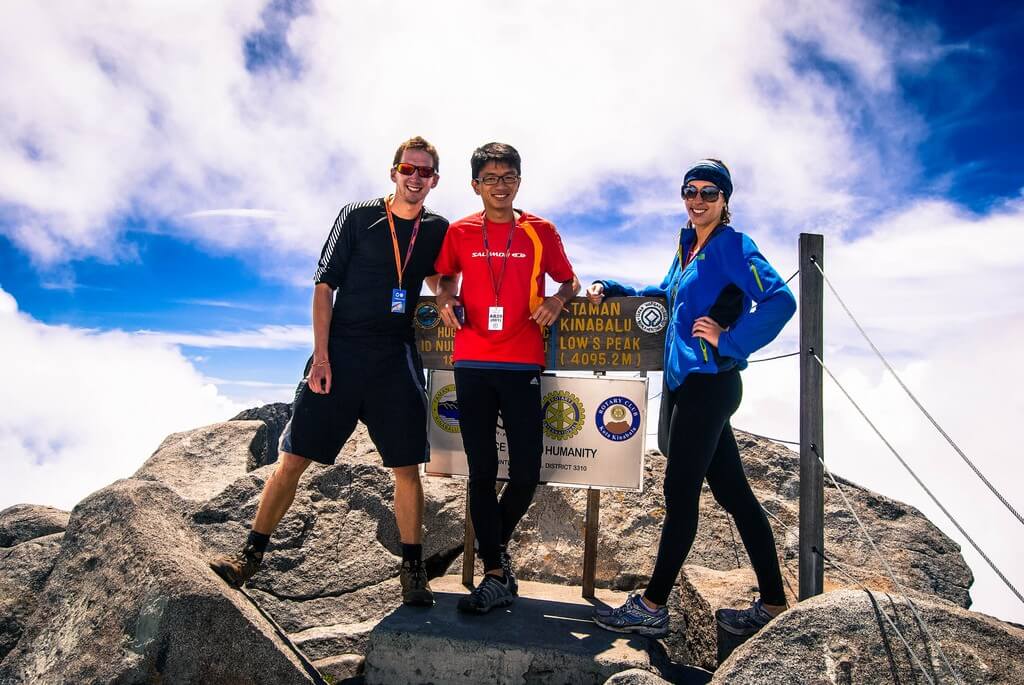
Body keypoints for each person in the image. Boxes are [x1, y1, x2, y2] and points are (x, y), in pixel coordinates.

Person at [209, 136, 449, 607]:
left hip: (394, 357)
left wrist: (444, 291)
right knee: (294, 459)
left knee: (406, 467)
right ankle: (249, 557)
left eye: (425, 172)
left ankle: (413, 572)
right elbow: (324, 288)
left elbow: (442, 273)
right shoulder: (358, 216)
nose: (415, 178)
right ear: (393, 172)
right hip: (339, 353)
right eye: (408, 169)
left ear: (435, 180)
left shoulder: (437, 228)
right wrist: (321, 357)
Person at [588, 159, 795, 638]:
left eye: (709, 193)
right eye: (690, 192)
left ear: (725, 201)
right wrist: (613, 288)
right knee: (733, 493)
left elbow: (781, 301)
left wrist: (732, 340)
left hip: (710, 383)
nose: (697, 201)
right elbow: (663, 296)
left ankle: (653, 606)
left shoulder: (733, 246)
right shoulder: (688, 247)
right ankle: (772, 603)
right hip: (689, 384)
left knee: (680, 493)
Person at [434, 142, 580, 614]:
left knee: (526, 471)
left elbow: (568, 280)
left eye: (508, 176)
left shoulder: (541, 230)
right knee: (480, 472)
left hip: (523, 362)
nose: (500, 185)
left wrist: (557, 302)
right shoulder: (458, 231)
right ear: (475, 185)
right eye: (491, 178)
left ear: (519, 180)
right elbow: (443, 276)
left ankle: (493, 547)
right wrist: (445, 299)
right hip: (472, 362)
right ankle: (496, 574)